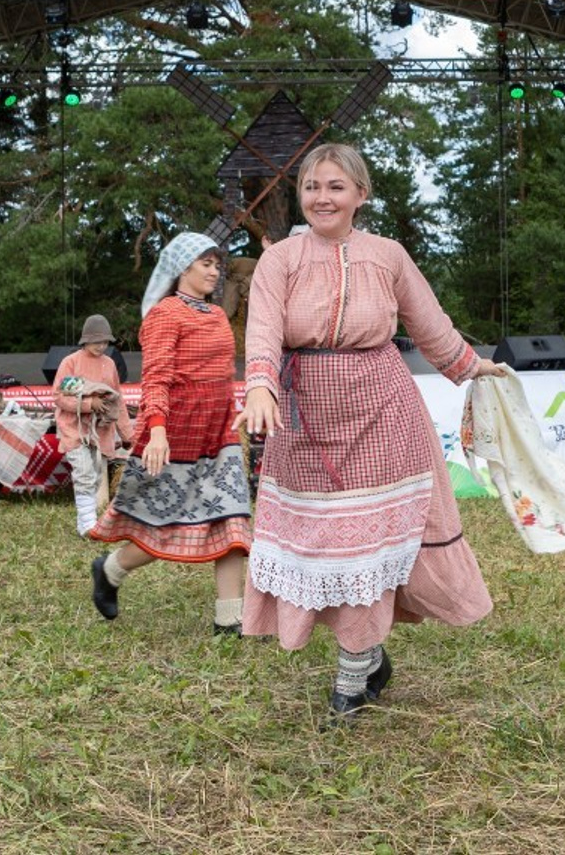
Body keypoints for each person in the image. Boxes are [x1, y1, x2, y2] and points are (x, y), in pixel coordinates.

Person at [236, 143, 504, 721]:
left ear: (362, 194)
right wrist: (260, 385)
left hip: (383, 411)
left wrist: (469, 365)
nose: (322, 197)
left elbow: (431, 325)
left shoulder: (388, 255)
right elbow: (261, 332)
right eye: (311, 186)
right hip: (305, 419)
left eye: (335, 186)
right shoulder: (279, 260)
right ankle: (368, 650)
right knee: (324, 546)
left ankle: (353, 674)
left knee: (373, 546)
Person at [88, 233, 253, 634]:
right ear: (183, 268)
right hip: (175, 436)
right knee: (164, 526)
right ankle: (109, 571)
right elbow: (157, 378)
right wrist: (157, 432)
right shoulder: (165, 314)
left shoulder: (215, 316)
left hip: (219, 434)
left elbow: (222, 376)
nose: (215, 271)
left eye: (217, 264)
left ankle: (229, 621)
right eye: (206, 264)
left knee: (231, 521)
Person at [52, 314, 132, 536]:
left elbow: (119, 401)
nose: (101, 346)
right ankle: (87, 525)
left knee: (96, 475)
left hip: (101, 430)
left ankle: (88, 521)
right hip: (74, 428)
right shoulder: (71, 362)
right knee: (84, 472)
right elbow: (58, 396)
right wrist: (88, 403)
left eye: (105, 341)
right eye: (97, 341)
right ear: (85, 340)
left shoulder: (109, 365)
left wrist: (127, 433)